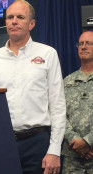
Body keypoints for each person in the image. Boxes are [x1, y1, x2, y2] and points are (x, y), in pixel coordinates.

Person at [0, 1, 66, 173]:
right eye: (10, 17)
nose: (14, 21)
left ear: (32, 24)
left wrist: (55, 150)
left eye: (20, 17)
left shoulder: (48, 54)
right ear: (5, 22)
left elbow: (58, 106)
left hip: (38, 143)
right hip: (2, 142)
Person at [62, 31, 93, 173]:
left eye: (88, 43)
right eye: (80, 43)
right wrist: (75, 141)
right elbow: (59, 114)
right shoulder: (67, 82)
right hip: (72, 158)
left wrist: (88, 142)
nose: (83, 47)